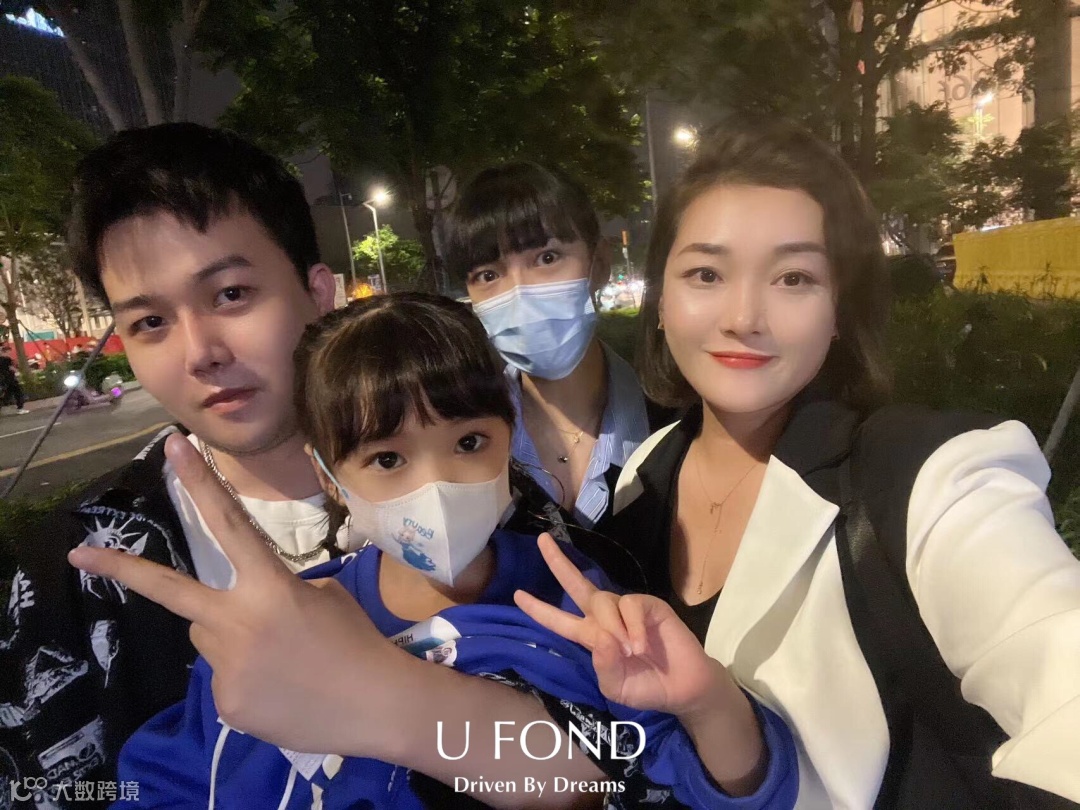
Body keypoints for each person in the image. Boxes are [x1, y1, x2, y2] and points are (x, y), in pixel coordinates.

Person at [517, 118, 1079, 807]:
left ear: (839, 310)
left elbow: (1060, 666)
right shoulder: (647, 476)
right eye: (705, 273)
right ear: (661, 301)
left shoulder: (927, 477)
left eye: (793, 277)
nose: (743, 316)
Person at [113, 293, 797, 809]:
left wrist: (708, 705)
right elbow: (170, 782)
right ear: (328, 473)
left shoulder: (580, 608)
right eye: (387, 459)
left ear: (508, 435)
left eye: (469, 442)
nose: (436, 486)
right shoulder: (287, 627)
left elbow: (684, 778)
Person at [0, 122, 352, 806]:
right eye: (150, 323)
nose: (200, 353)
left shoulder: (461, 494)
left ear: (317, 292)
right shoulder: (72, 572)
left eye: (231, 294)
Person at [446, 163, 660, 531]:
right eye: (488, 275)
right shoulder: (458, 440)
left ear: (599, 264)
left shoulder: (674, 427)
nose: (520, 294)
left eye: (547, 258)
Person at [0, 346, 30, 413]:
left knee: (8, 393)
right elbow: (10, 367)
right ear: (6, 351)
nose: (10, 353)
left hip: (4, 379)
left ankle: (4, 403)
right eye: (9, 352)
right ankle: (20, 408)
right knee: (18, 392)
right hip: (10, 378)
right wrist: (18, 372)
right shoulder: (7, 359)